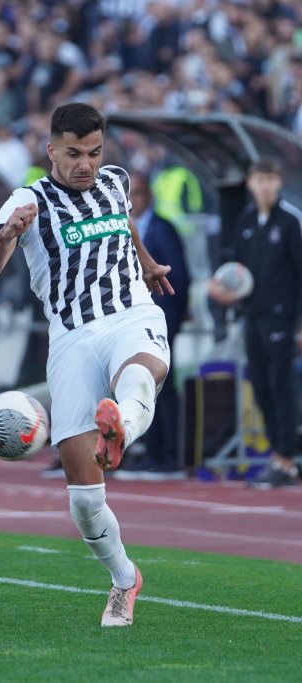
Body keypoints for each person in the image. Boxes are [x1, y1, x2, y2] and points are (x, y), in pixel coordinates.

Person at [0, 103, 175, 628]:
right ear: (51, 151)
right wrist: (6, 235)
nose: (86, 164)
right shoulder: (27, 200)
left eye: (94, 152)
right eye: (74, 154)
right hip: (71, 336)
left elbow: (123, 220)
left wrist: (145, 262)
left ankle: (120, 428)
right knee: (85, 500)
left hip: (132, 313)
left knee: (140, 373)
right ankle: (125, 578)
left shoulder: (115, 180)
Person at [208, 157, 302, 489]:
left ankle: (287, 460)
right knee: (260, 387)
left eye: (270, 179)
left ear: (279, 182)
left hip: (282, 317)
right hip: (253, 316)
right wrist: (220, 289)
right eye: (259, 179)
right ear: (249, 183)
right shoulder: (246, 220)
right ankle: (278, 454)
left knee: (281, 386)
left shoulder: (290, 222)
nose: (264, 186)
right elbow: (237, 270)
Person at [114, 172, 190, 480]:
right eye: (128, 197)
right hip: (131, 319)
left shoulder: (163, 229)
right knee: (139, 384)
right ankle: (148, 451)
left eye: (138, 195)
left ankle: (169, 456)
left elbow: (178, 276)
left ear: (149, 197)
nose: (132, 202)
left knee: (163, 386)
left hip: (161, 319)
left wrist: (174, 319)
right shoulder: (118, 229)